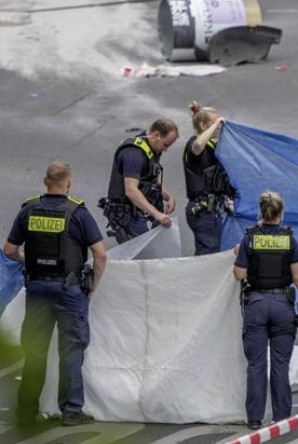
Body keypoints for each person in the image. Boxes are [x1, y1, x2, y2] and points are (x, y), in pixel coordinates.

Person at [3, 161, 107, 427]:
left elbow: (9, 250)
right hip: (69, 291)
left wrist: (30, 261)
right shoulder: (78, 213)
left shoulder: (29, 210)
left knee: (35, 351)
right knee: (71, 351)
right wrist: (93, 286)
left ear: (44, 181)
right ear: (68, 183)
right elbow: (100, 254)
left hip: (37, 289)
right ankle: (71, 411)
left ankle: (26, 413)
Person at [233, 191, 298, 430]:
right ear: (281, 213)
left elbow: (239, 274)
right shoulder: (289, 239)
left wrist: (240, 253)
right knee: (280, 364)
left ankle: (255, 419)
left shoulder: (250, 238)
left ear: (261, 211)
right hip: (281, 306)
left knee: (256, 365)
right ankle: (281, 418)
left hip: (256, 304)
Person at [100, 118, 179, 244]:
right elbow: (131, 191)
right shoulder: (134, 154)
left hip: (138, 208)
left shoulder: (150, 146)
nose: (166, 150)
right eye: (166, 144)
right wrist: (157, 214)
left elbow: (153, 178)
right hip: (126, 213)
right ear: (157, 135)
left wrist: (168, 196)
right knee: (145, 251)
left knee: (152, 247)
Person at [183, 101, 237, 255]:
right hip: (203, 211)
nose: (219, 127)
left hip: (213, 210)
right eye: (215, 123)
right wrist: (216, 124)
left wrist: (227, 199)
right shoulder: (194, 143)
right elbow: (198, 145)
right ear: (203, 125)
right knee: (206, 255)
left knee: (212, 251)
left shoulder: (213, 149)